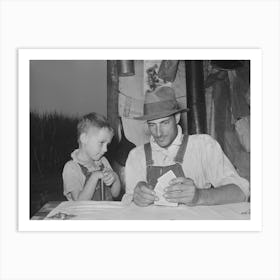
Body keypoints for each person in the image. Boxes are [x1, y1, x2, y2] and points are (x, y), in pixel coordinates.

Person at [125, 86, 250, 207]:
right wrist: (135, 198)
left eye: (164, 123)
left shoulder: (203, 146)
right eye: (152, 125)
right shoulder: (136, 156)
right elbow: (125, 205)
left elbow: (240, 192)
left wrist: (199, 196)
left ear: (177, 117)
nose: (158, 133)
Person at [62, 113, 121, 201]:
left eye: (107, 144)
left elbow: (115, 194)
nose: (105, 149)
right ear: (84, 139)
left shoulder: (103, 161)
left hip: (106, 213)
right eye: (101, 143)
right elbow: (79, 202)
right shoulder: (72, 168)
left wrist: (115, 178)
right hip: (85, 214)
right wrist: (94, 177)